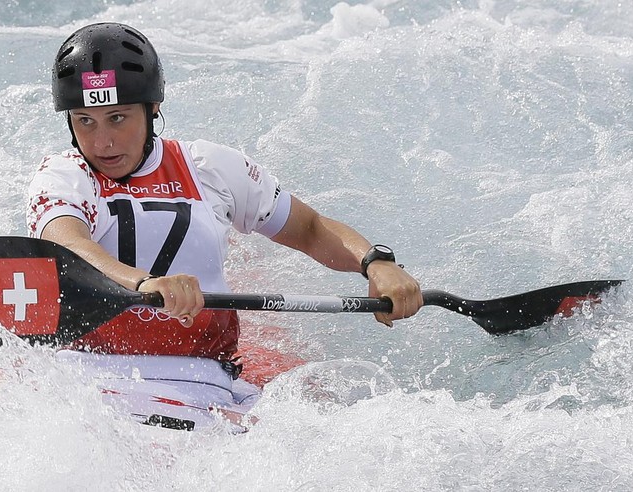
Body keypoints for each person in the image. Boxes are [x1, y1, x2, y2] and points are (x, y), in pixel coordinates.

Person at [26, 22, 422, 390]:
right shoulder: (62, 174)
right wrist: (144, 283)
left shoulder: (209, 167)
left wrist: (376, 263)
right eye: (85, 121)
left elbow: (310, 229)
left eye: (117, 118)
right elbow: (68, 245)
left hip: (205, 373)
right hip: (91, 372)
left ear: (153, 107)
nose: (102, 142)